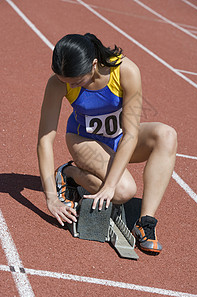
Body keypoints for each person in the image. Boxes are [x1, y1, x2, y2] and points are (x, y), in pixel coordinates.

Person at [37, 33, 177, 254]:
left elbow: (130, 135)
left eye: (76, 81)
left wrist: (109, 185)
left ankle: (145, 222)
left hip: (120, 138)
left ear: (93, 64)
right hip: (84, 140)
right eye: (65, 81)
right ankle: (69, 172)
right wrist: (51, 197)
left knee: (166, 135)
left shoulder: (125, 71)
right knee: (124, 192)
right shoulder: (58, 83)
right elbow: (45, 138)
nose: (69, 85)